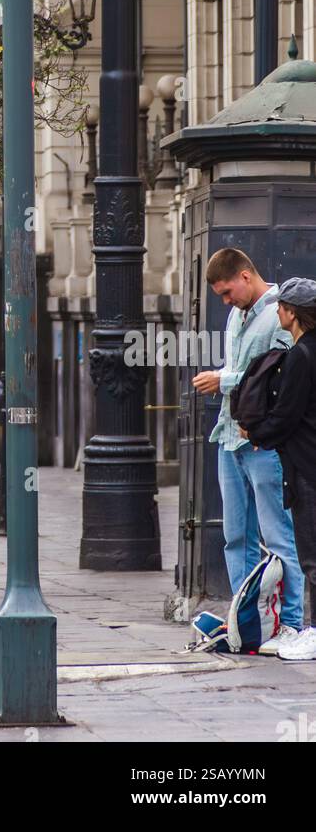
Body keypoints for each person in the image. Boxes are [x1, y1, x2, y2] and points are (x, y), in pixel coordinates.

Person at [194, 248, 305, 652]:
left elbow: (278, 372)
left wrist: (223, 379)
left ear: (245, 276)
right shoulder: (236, 314)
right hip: (229, 436)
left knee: (278, 534)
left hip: (263, 441)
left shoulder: (280, 312)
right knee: (235, 535)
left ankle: (292, 622)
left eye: (227, 291)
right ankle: (245, 621)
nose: (225, 300)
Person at [241, 278, 316, 661]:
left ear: (292, 312)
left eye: (282, 307)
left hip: (305, 463)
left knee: (310, 552)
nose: (278, 313)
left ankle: (312, 630)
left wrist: (257, 433)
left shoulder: (301, 355)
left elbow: (288, 413)